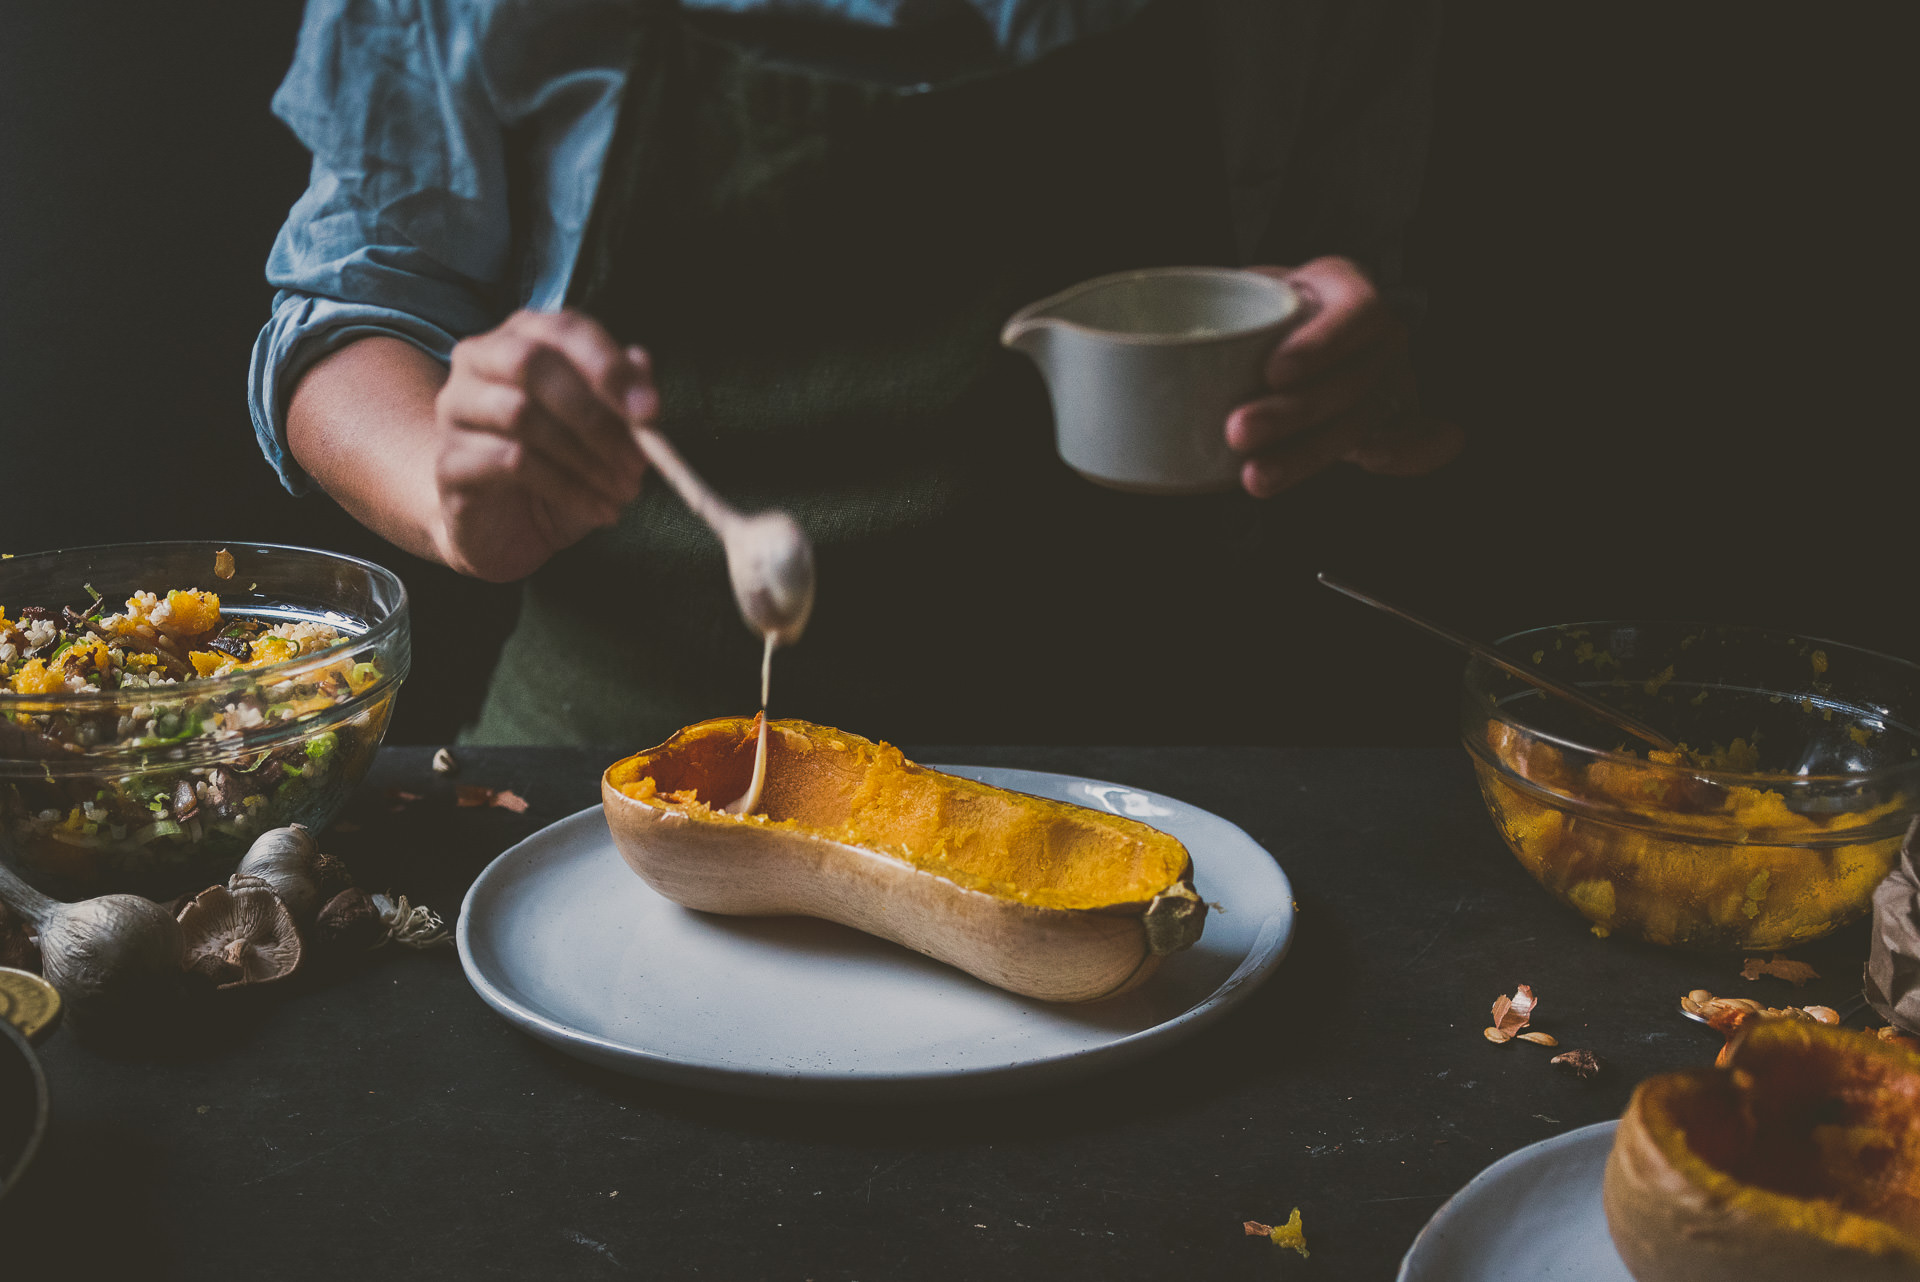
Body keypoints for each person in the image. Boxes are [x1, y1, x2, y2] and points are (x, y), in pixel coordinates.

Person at [252, 0, 1462, 747]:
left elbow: (1432, 322)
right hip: (614, 767)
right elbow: (347, 310)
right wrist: (450, 486)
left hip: (1155, 769)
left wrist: (1372, 386)